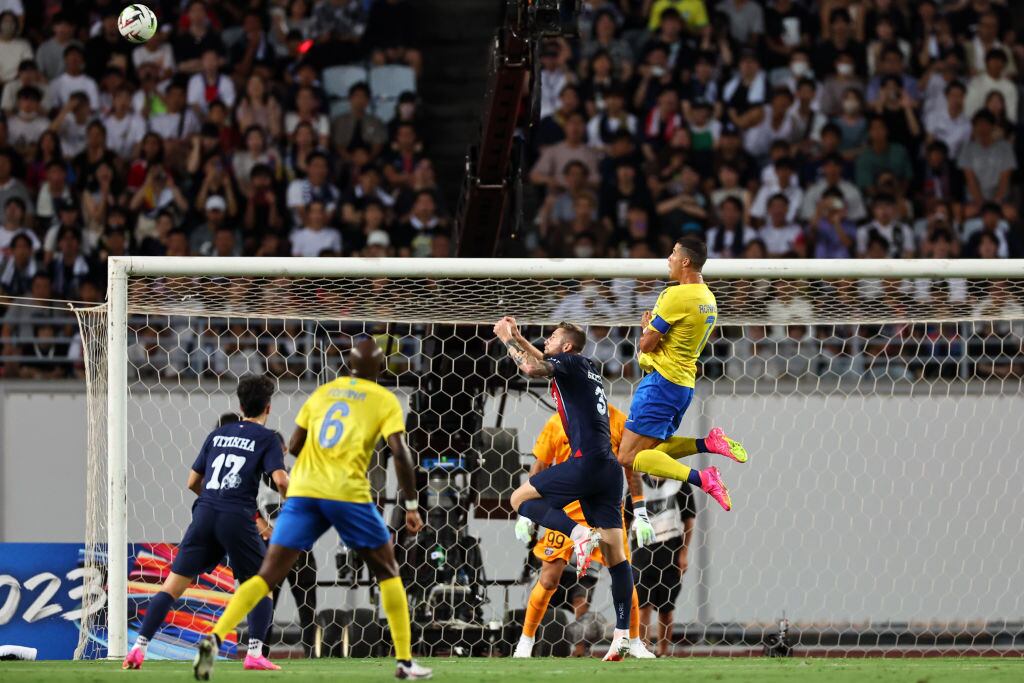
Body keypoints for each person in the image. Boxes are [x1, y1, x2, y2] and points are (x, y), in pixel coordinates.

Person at [193, 338, 431, 681]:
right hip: (347, 492)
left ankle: (214, 639)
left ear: (349, 366)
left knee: (267, 575)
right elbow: (400, 453)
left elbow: (294, 445)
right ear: (380, 369)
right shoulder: (383, 399)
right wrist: (410, 504)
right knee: (388, 571)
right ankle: (405, 662)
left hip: (304, 491)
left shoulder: (323, 393)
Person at [122, 376, 289, 671]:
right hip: (237, 517)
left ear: (240, 406)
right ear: (268, 407)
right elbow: (281, 480)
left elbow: (192, 482)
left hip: (205, 513)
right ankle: (254, 654)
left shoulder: (217, 435)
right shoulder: (268, 438)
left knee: (171, 587)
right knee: (262, 585)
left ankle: (138, 648)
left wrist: (215, 499)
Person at [494, 319, 636, 661]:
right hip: (608, 472)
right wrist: (519, 338)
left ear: (568, 346)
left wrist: (506, 339)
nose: (547, 339)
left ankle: (578, 533)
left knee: (518, 499)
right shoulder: (583, 367)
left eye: (554, 336)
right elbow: (541, 359)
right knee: (617, 559)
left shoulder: (569, 362)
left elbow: (531, 368)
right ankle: (622, 636)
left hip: (584, 465)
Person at [512, 405, 655, 660]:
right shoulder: (557, 422)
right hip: (566, 513)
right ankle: (526, 641)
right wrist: (526, 513)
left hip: (605, 511)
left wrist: (641, 512)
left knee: (622, 574)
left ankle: (633, 641)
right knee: (549, 579)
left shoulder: (617, 420)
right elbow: (540, 467)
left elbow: (630, 467)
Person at [614, 237, 745, 510]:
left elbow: (646, 345)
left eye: (673, 253)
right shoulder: (708, 298)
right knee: (651, 452)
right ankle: (709, 443)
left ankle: (703, 478)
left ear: (686, 261)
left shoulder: (675, 296)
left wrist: (645, 329)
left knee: (627, 457)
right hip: (682, 385)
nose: (669, 258)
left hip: (661, 384)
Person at [633, 475, 696, 657]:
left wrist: (683, 553)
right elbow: (626, 518)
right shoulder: (636, 484)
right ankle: (643, 649)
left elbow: (689, 519)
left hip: (670, 551)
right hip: (642, 552)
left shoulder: (679, 484)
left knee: (666, 608)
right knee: (643, 605)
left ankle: (663, 652)